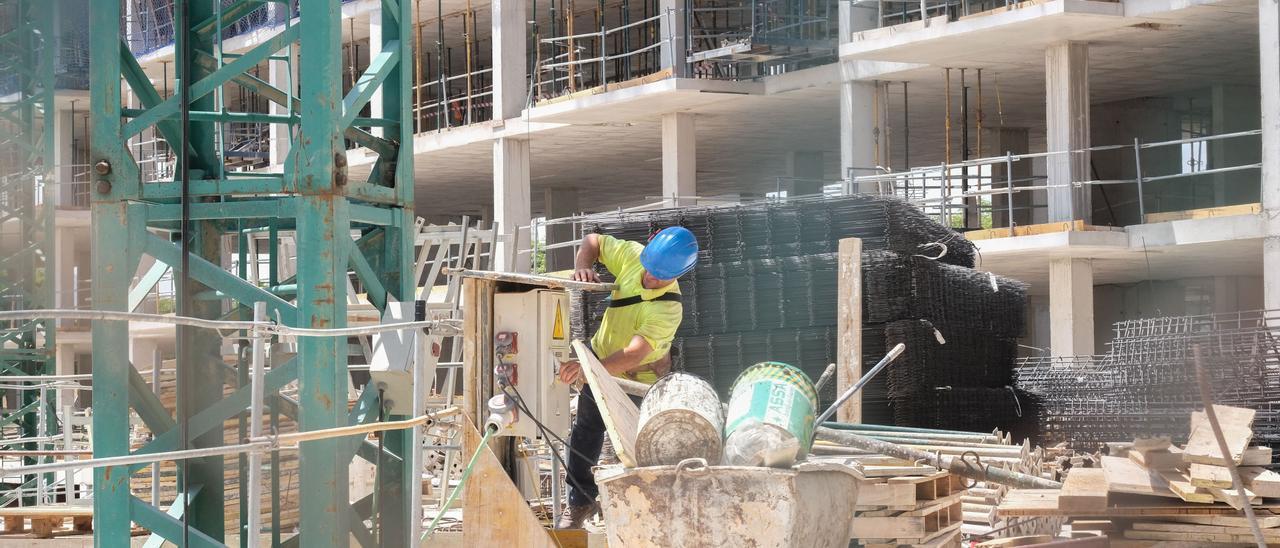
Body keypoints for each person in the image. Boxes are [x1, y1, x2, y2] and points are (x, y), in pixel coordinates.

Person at [554, 226, 699, 529]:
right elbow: (593, 241)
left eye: (659, 276)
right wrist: (583, 266)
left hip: (636, 380)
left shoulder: (669, 307)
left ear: (679, 274)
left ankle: (649, 517)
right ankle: (580, 502)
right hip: (600, 364)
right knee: (585, 433)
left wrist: (588, 369)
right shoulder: (634, 257)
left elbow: (634, 353)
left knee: (639, 450)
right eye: (649, 269)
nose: (650, 277)